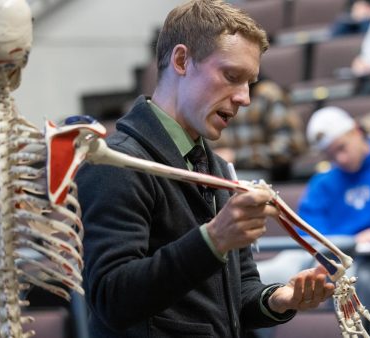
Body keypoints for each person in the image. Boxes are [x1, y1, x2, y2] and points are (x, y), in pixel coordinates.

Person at [75, 1, 334, 337]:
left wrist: (277, 300)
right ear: (181, 60)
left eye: (249, 82)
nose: (245, 98)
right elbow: (112, 301)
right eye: (231, 76)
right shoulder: (114, 164)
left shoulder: (218, 168)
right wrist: (211, 240)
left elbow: (238, 295)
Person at [258, 106, 370, 337]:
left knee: (361, 276)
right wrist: (352, 239)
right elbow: (307, 234)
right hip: (327, 259)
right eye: (330, 156)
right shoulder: (323, 183)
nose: (340, 159)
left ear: (356, 131)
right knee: (259, 277)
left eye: (342, 148)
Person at [209, 77, 306, 181]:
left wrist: (236, 157)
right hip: (217, 173)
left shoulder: (268, 94)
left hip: (263, 176)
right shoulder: (212, 94)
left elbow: (287, 148)